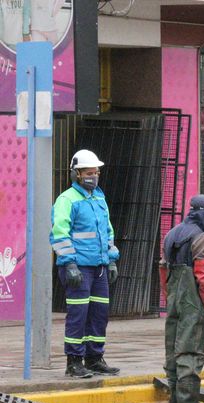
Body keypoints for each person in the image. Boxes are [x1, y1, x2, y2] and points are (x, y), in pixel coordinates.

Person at [50, 149, 120, 378]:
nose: (94, 176)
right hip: (78, 267)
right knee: (78, 314)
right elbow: (60, 234)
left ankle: (94, 358)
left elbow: (107, 232)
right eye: (89, 172)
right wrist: (69, 264)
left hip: (99, 267)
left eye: (96, 172)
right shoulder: (67, 199)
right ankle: (73, 361)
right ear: (77, 174)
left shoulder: (99, 198)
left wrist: (111, 260)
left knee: (99, 313)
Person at [160, 195, 204, 403]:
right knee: (190, 354)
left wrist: (170, 298)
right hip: (192, 304)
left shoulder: (172, 233)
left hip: (174, 301)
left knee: (173, 355)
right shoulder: (202, 239)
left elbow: (163, 270)